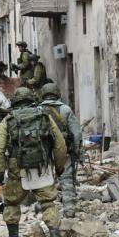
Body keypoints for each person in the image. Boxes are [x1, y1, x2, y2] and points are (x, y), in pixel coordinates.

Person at [0, 87, 67, 237]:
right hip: (42, 166)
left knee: (11, 202)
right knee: (48, 203)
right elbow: (60, 144)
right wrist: (59, 166)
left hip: (17, 168)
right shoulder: (44, 116)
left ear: (15, 101)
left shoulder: (8, 120)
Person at [40, 82, 82, 218]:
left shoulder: (37, 110)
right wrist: (76, 150)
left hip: (44, 150)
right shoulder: (66, 109)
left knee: (45, 178)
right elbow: (76, 133)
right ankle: (69, 209)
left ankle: (47, 211)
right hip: (63, 149)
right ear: (57, 94)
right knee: (67, 177)